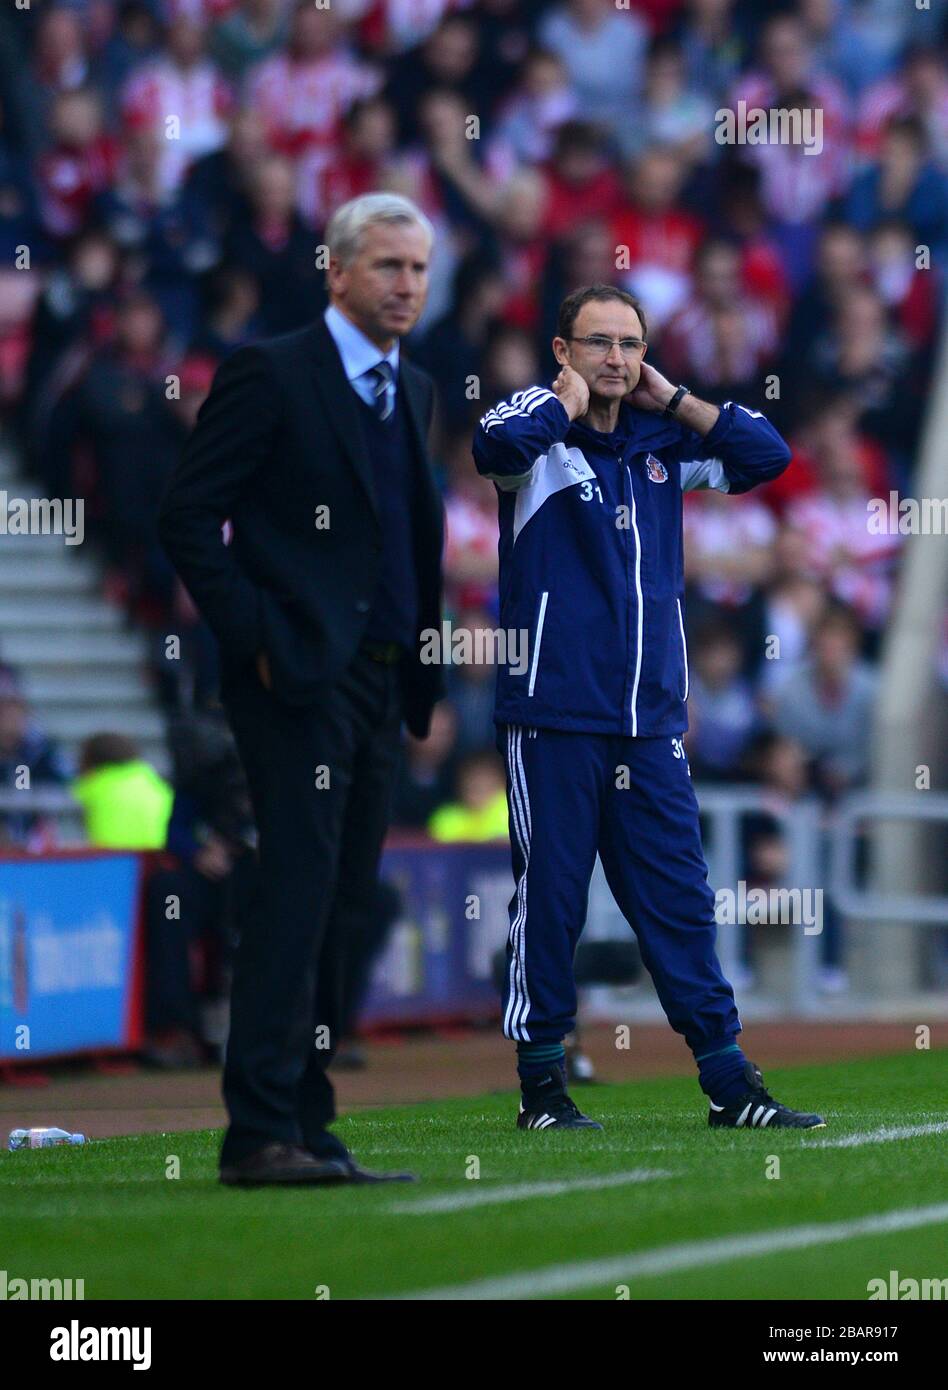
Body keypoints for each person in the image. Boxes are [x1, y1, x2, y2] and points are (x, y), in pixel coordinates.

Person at [472, 282, 825, 1132]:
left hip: (651, 722)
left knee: (679, 901)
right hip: (554, 711)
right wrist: (561, 404)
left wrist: (677, 397)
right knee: (551, 899)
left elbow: (769, 457)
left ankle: (727, 1081)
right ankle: (544, 1087)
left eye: (631, 345)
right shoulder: (537, 429)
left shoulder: (661, 437)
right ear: (562, 351)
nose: (617, 361)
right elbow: (496, 447)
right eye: (598, 343)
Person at [158, 192, 444, 1186]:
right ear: (337, 271)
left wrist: (421, 663)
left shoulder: (415, 389)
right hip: (296, 683)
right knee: (296, 891)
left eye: (417, 268)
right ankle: (258, 1132)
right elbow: (189, 516)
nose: (407, 285)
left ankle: (310, 1123)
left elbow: (406, 537)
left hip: (378, 682)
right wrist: (264, 642)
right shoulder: (271, 371)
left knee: (342, 904)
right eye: (388, 267)